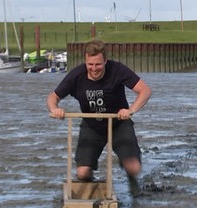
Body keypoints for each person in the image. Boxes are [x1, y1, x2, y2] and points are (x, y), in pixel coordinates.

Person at [47, 39, 152, 182]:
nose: (94, 68)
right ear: (85, 61)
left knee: (134, 168)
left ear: (105, 61)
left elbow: (145, 91)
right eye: (90, 64)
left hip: (118, 123)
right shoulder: (76, 75)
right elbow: (53, 97)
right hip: (92, 126)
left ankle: (131, 180)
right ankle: (91, 186)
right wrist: (55, 109)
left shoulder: (117, 70)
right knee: (82, 173)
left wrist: (131, 110)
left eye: (98, 64)